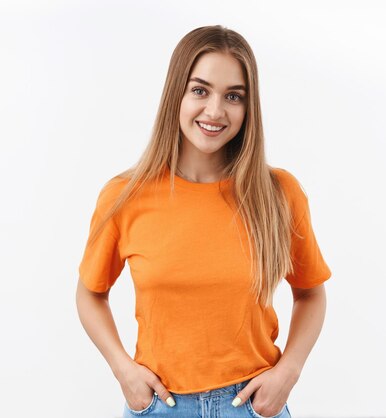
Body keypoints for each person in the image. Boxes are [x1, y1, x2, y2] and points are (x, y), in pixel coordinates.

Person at [75, 25, 331, 418]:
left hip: (251, 405)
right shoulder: (125, 196)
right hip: (161, 405)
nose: (215, 111)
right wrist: (122, 369)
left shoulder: (278, 194)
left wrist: (289, 372)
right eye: (200, 90)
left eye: (233, 96)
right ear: (176, 92)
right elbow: (91, 294)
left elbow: (310, 292)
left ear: (249, 108)